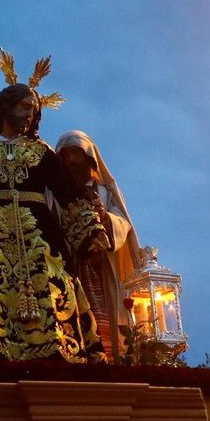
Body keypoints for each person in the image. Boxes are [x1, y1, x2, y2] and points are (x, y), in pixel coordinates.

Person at [0, 52, 102, 362]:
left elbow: (70, 193)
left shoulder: (42, 151)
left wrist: (91, 230)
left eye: (34, 110)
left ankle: (56, 350)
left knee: (52, 287)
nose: (30, 115)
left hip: (41, 240)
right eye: (25, 107)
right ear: (6, 108)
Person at [55, 130, 141, 363]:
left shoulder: (105, 191)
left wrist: (104, 218)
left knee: (103, 317)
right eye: (67, 155)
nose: (72, 160)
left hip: (100, 268)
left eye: (77, 154)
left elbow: (124, 223)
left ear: (90, 158)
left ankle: (108, 360)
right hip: (66, 265)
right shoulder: (53, 193)